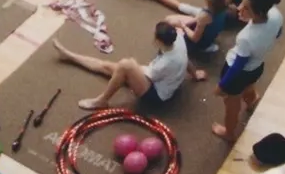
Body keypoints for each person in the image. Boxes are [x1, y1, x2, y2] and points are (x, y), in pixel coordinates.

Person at [52, 21, 188, 112]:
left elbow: (152, 77)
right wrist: (195, 73)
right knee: (106, 66)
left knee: (125, 65)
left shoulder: (165, 64)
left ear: (158, 41)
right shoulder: (179, 40)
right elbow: (186, 59)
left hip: (156, 95)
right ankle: (69, 56)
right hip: (161, 77)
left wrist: (132, 68)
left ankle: (101, 101)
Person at [213, 0, 284, 140]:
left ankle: (229, 132)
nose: (239, 8)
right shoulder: (276, 16)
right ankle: (252, 100)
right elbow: (278, 32)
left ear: (258, 13)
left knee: (231, 104)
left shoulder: (246, 37)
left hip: (239, 73)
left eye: (246, 8)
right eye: (241, 4)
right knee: (248, 85)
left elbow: (238, 65)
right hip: (257, 66)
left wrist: (222, 85)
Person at [164, 0, 234, 80]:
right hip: (212, 30)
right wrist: (192, 21)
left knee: (168, 21)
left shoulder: (206, 14)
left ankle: (202, 49)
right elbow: (200, 18)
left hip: (199, 41)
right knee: (173, 20)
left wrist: (183, 26)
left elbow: (195, 38)